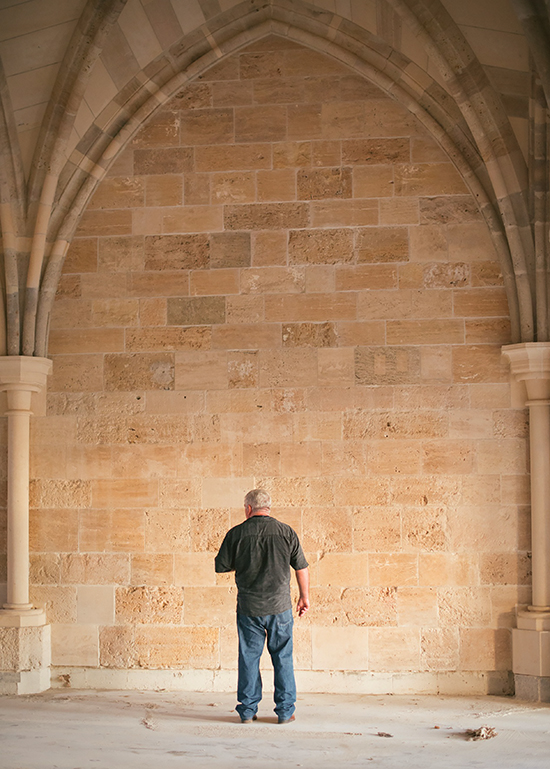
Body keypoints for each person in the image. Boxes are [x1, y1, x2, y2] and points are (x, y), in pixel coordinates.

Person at [215, 488, 310, 724]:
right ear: (268, 508)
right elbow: (301, 567)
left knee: (248, 658)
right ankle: (285, 712)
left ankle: (247, 711)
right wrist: (304, 596)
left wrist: (246, 561)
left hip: (249, 608)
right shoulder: (287, 532)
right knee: (283, 657)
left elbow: (222, 566)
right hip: (280, 608)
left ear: (248, 508)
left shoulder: (236, 534)